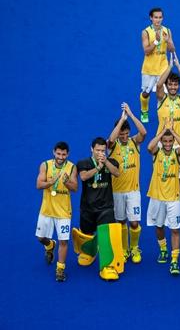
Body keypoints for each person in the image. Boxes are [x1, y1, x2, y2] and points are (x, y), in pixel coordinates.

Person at [72, 137, 123, 281]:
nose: (101, 152)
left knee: (106, 235)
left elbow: (117, 173)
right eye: (98, 150)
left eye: (103, 150)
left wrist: (105, 162)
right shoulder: (83, 163)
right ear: (91, 149)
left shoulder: (111, 162)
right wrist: (98, 168)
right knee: (87, 233)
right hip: (87, 207)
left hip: (105, 207)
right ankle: (90, 253)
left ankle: (108, 266)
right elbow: (83, 177)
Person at [146, 119, 180, 275]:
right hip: (157, 197)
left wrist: (173, 132)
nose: (168, 143)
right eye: (165, 141)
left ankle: (175, 260)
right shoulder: (157, 152)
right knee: (159, 226)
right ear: (162, 141)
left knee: (175, 229)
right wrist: (163, 131)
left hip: (173, 198)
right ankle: (163, 249)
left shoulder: (177, 153)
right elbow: (150, 147)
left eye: (171, 141)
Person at [107, 103, 147, 264]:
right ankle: (123, 249)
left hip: (133, 191)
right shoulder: (112, 146)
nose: (123, 137)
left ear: (129, 133)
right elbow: (110, 139)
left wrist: (129, 114)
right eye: (121, 134)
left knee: (135, 222)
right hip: (116, 191)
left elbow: (143, 132)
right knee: (121, 221)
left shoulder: (134, 143)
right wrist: (121, 121)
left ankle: (134, 248)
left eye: (125, 134)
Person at [35, 141, 78, 282]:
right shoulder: (45, 165)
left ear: (68, 154)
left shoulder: (72, 167)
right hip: (46, 209)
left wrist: (66, 182)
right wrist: (50, 182)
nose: (61, 157)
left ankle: (60, 269)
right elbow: (39, 184)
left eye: (64, 154)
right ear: (54, 152)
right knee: (40, 238)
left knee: (64, 241)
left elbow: (75, 188)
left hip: (63, 212)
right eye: (58, 153)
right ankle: (50, 245)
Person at [156, 52, 180, 194]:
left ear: (178, 86)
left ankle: (176, 203)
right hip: (161, 144)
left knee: (178, 178)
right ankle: (161, 204)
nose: (172, 87)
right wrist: (170, 67)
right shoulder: (161, 99)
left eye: (175, 84)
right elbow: (159, 84)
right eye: (170, 84)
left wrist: (178, 65)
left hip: (178, 144)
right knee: (160, 177)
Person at [140, 7, 175, 123]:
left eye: (160, 17)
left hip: (163, 68)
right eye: (156, 17)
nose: (158, 20)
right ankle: (144, 110)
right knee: (146, 94)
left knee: (165, 94)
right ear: (151, 18)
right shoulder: (145, 32)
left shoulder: (167, 31)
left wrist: (167, 40)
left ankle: (165, 118)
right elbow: (146, 51)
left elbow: (172, 49)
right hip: (149, 69)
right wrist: (156, 41)